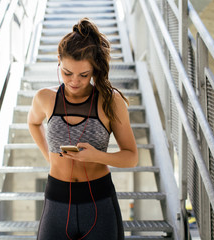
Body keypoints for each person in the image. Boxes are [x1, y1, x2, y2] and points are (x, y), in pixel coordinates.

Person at [27, 17, 138, 240]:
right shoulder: (45, 98)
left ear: (94, 70)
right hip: (57, 200)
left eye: (84, 75)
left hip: (99, 201)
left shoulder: (110, 101)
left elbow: (131, 157)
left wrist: (97, 156)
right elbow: (33, 122)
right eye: (67, 73)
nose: (75, 81)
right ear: (59, 61)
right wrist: (49, 156)